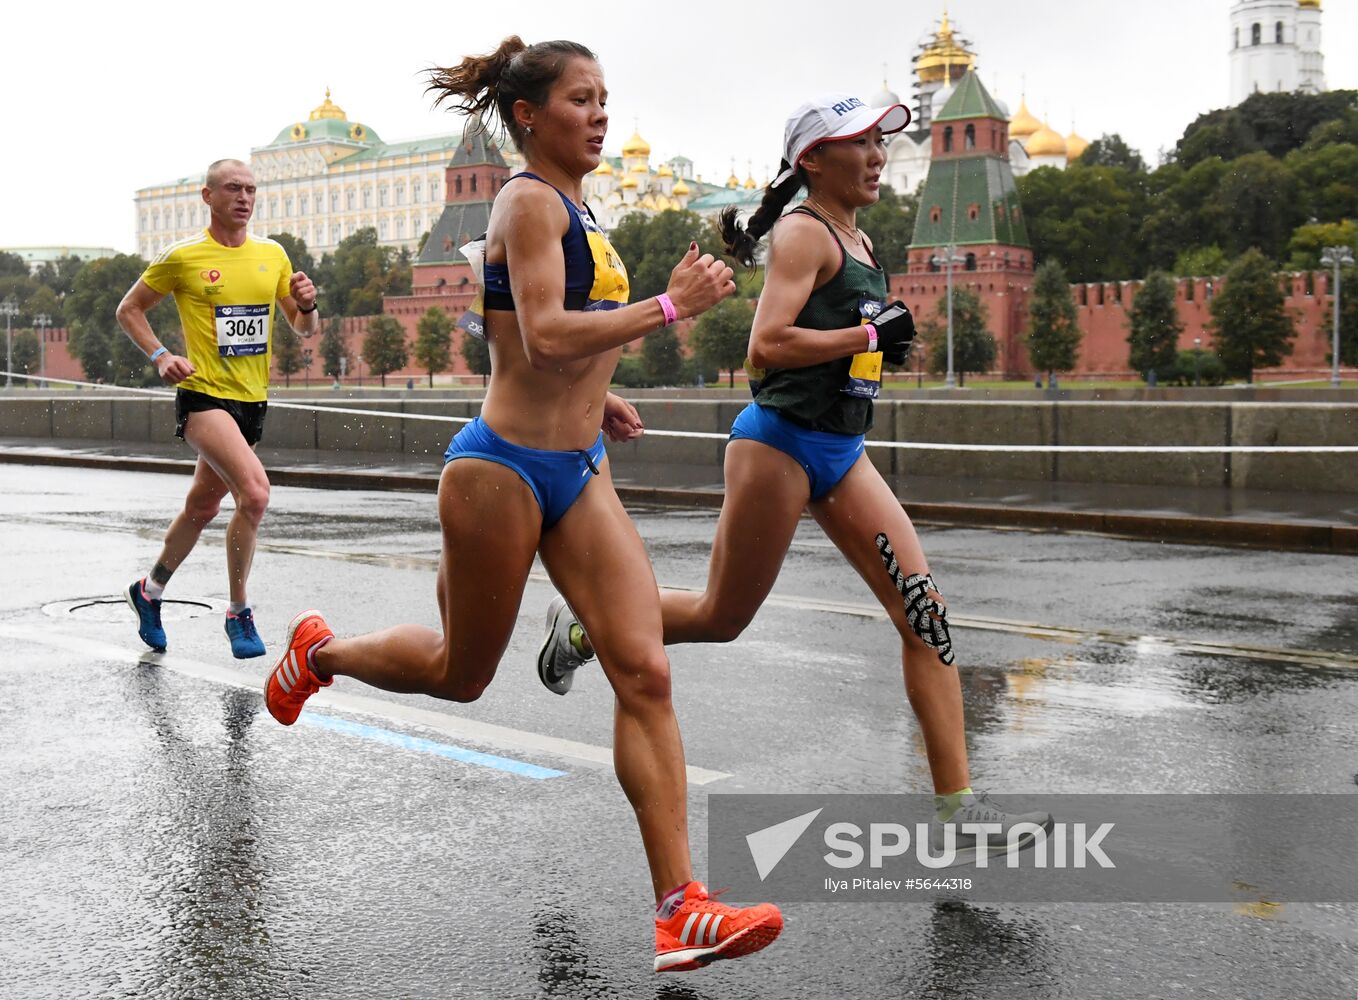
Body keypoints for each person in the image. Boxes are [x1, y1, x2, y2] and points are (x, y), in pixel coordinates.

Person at [261, 37, 782, 973]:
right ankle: (319, 651)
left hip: (577, 470)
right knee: (462, 674)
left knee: (645, 671)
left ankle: (680, 910)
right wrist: (671, 307)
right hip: (498, 473)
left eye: (606, 98)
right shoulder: (525, 200)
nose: (601, 114)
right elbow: (542, 336)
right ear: (531, 116)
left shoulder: (579, 205)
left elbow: (522, 329)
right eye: (582, 99)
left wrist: (598, 390)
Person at [539, 93, 1051, 858]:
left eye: (883, 144)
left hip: (842, 451)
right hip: (778, 446)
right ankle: (584, 626)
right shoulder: (803, 234)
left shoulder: (862, 238)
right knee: (721, 616)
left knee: (925, 615)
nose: (878, 157)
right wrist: (868, 331)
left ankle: (959, 813)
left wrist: (876, 351)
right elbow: (766, 347)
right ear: (813, 159)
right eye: (862, 144)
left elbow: (847, 348)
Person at [119, 159, 319, 659]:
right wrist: (161, 355)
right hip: (204, 397)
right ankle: (238, 613)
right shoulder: (184, 256)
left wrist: (309, 304)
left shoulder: (272, 255)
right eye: (233, 188)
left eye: (251, 189)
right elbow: (129, 309)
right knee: (254, 494)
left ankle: (150, 589)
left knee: (203, 507)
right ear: (208, 196)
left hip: (252, 402)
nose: (244, 197)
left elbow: (304, 329)